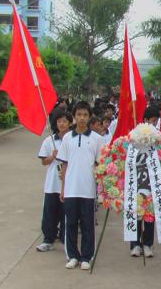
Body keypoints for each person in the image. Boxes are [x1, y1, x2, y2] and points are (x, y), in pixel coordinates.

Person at [57, 101, 104, 270]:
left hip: (88, 189)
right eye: (79, 115)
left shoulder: (97, 139)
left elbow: (101, 165)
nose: (82, 118)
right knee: (70, 224)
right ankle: (72, 256)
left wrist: (101, 189)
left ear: (90, 116)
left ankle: (86, 256)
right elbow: (64, 165)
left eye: (85, 115)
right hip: (70, 189)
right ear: (74, 117)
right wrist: (62, 188)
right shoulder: (67, 138)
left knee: (87, 224)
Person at [36, 112, 72, 252]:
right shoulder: (49, 141)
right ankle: (48, 239)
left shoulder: (72, 139)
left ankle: (66, 239)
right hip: (52, 184)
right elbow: (44, 162)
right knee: (50, 213)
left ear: (69, 122)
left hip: (68, 184)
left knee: (67, 213)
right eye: (59, 121)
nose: (62, 124)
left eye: (64, 121)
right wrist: (53, 156)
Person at [130, 106, 161, 258]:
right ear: (146, 121)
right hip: (135, 180)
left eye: (156, 121)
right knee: (135, 213)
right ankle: (135, 244)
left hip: (152, 181)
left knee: (149, 214)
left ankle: (148, 244)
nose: (155, 124)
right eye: (152, 121)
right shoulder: (133, 136)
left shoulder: (158, 138)